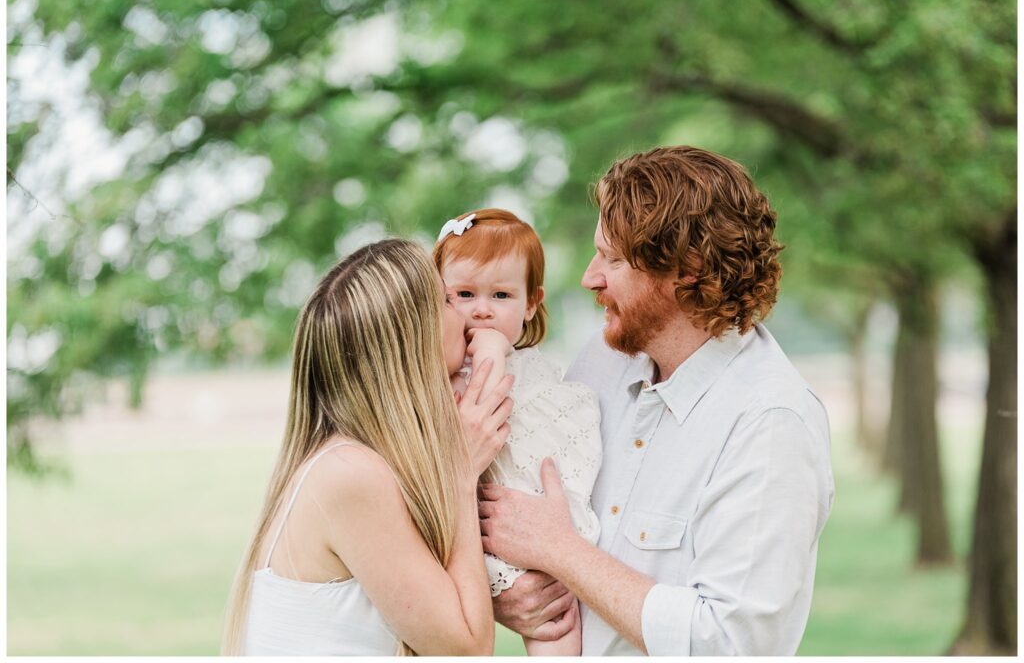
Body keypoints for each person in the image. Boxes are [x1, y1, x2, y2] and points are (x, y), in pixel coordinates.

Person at [480, 146, 836, 655]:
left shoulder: (770, 423)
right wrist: (510, 597)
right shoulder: (602, 363)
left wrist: (562, 552)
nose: (589, 278)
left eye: (612, 259)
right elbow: (525, 521)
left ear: (685, 268)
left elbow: (731, 643)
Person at [221, 238, 515, 655]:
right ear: (414, 339)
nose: (466, 313)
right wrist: (460, 473)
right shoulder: (349, 473)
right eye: (447, 301)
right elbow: (464, 650)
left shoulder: (349, 461)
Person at [433, 208, 602, 656]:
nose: (482, 309)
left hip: (536, 497)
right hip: (480, 526)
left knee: (557, 624)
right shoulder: (438, 371)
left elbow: (496, 397)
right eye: (464, 293)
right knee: (542, 621)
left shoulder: (522, 365)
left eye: (502, 295)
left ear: (531, 302)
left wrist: (490, 348)